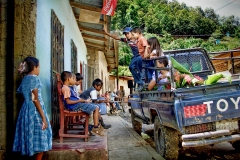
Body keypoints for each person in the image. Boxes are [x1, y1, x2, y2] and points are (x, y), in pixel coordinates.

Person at [13, 57, 52, 160]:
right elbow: (35, 99)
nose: (39, 69)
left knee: (31, 137)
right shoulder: (34, 78)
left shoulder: (25, 79)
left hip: (25, 110)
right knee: (40, 141)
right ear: (34, 67)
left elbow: (25, 96)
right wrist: (43, 117)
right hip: (35, 111)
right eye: (38, 67)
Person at [61, 71, 104, 136]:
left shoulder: (68, 88)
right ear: (68, 79)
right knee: (96, 108)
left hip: (76, 105)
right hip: (74, 106)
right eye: (73, 79)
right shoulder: (66, 88)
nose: (75, 81)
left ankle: (92, 127)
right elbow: (68, 102)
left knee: (93, 107)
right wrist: (79, 101)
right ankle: (95, 127)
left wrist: (83, 101)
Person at [103, 27, 144, 91]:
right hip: (135, 56)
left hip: (140, 55)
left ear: (132, 33)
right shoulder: (127, 40)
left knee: (139, 68)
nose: (126, 35)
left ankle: (141, 80)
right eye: (125, 34)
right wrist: (106, 33)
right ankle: (140, 82)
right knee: (131, 67)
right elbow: (116, 38)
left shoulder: (138, 39)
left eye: (128, 33)